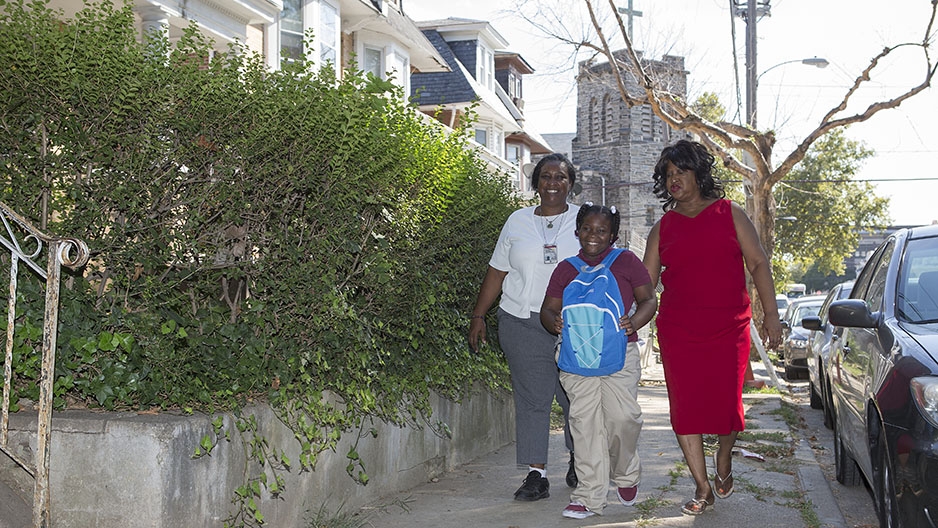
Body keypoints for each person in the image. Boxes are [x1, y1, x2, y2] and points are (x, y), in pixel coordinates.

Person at [642, 140, 782, 515]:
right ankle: (702, 487)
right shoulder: (663, 227)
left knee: (727, 407)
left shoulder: (730, 213)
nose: (674, 180)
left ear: (698, 174)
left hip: (728, 326)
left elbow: (757, 263)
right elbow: (645, 285)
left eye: (680, 171)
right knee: (685, 408)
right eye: (668, 174)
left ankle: (724, 457)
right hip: (678, 330)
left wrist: (771, 315)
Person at [468, 153, 581, 501]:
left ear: (570, 183)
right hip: (520, 320)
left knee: (575, 397)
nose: (552, 183)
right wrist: (478, 314)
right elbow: (497, 271)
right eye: (545, 177)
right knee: (532, 399)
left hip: (572, 324)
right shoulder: (516, 221)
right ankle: (537, 474)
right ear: (535, 184)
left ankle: (581, 457)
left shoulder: (584, 220)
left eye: (560, 177)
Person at [540, 204, 657, 519]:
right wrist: (554, 322)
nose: (593, 235)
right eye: (587, 229)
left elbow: (648, 299)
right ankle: (588, 496)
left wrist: (636, 321)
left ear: (613, 235)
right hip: (577, 355)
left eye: (601, 230)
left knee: (623, 418)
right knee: (585, 425)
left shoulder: (627, 262)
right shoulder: (566, 268)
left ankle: (626, 470)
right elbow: (547, 309)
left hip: (621, 353)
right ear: (578, 231)